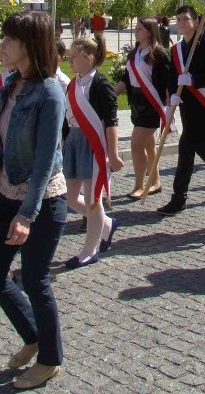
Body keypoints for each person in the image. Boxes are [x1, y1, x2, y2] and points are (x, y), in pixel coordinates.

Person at [0, 12, 67, 390]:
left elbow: (46, 160)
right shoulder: (11, 82)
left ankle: (50, 358)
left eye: (9, 39)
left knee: (35, 279)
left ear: (28, 44)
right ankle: (33, 334)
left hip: (42, 202)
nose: (2, 45)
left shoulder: (49, 91)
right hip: (8, 194)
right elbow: (10, 136)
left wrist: (27, 216)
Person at [157, 5, 205, 215]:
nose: (181, 23)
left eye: (185, 19)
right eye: (178, 19)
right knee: (200, 147)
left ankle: (178, 198)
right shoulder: (177, 49)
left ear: (196, 22)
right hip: (185, 105)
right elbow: (173, 76)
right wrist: (173, 93)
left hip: (203, 104)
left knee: (186, 148)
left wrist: (194, 80)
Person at [62, 35, 124, 268]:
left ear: (89, 57)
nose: (70, 61)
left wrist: (114, 153)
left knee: (92, 200)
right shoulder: (72, 83)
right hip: (75, 143)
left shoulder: (100, 84)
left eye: (74, 57)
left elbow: (111, 120)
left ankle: (90, 250)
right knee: (69, 197)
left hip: (94, 144)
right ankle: (107, 224)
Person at [115, 18, 170, 199]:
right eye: (136, 29)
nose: (136, 31)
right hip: (137, 102)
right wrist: (111, 94)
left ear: (150, 32)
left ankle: (139, 185)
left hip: (151, 104)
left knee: (136, 144)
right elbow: (126, 78)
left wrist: (170, 104)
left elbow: (169, 80)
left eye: (140, 29)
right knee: (149, 145)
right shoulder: (135, 53)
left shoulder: (159, 54)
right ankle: (155, 182)